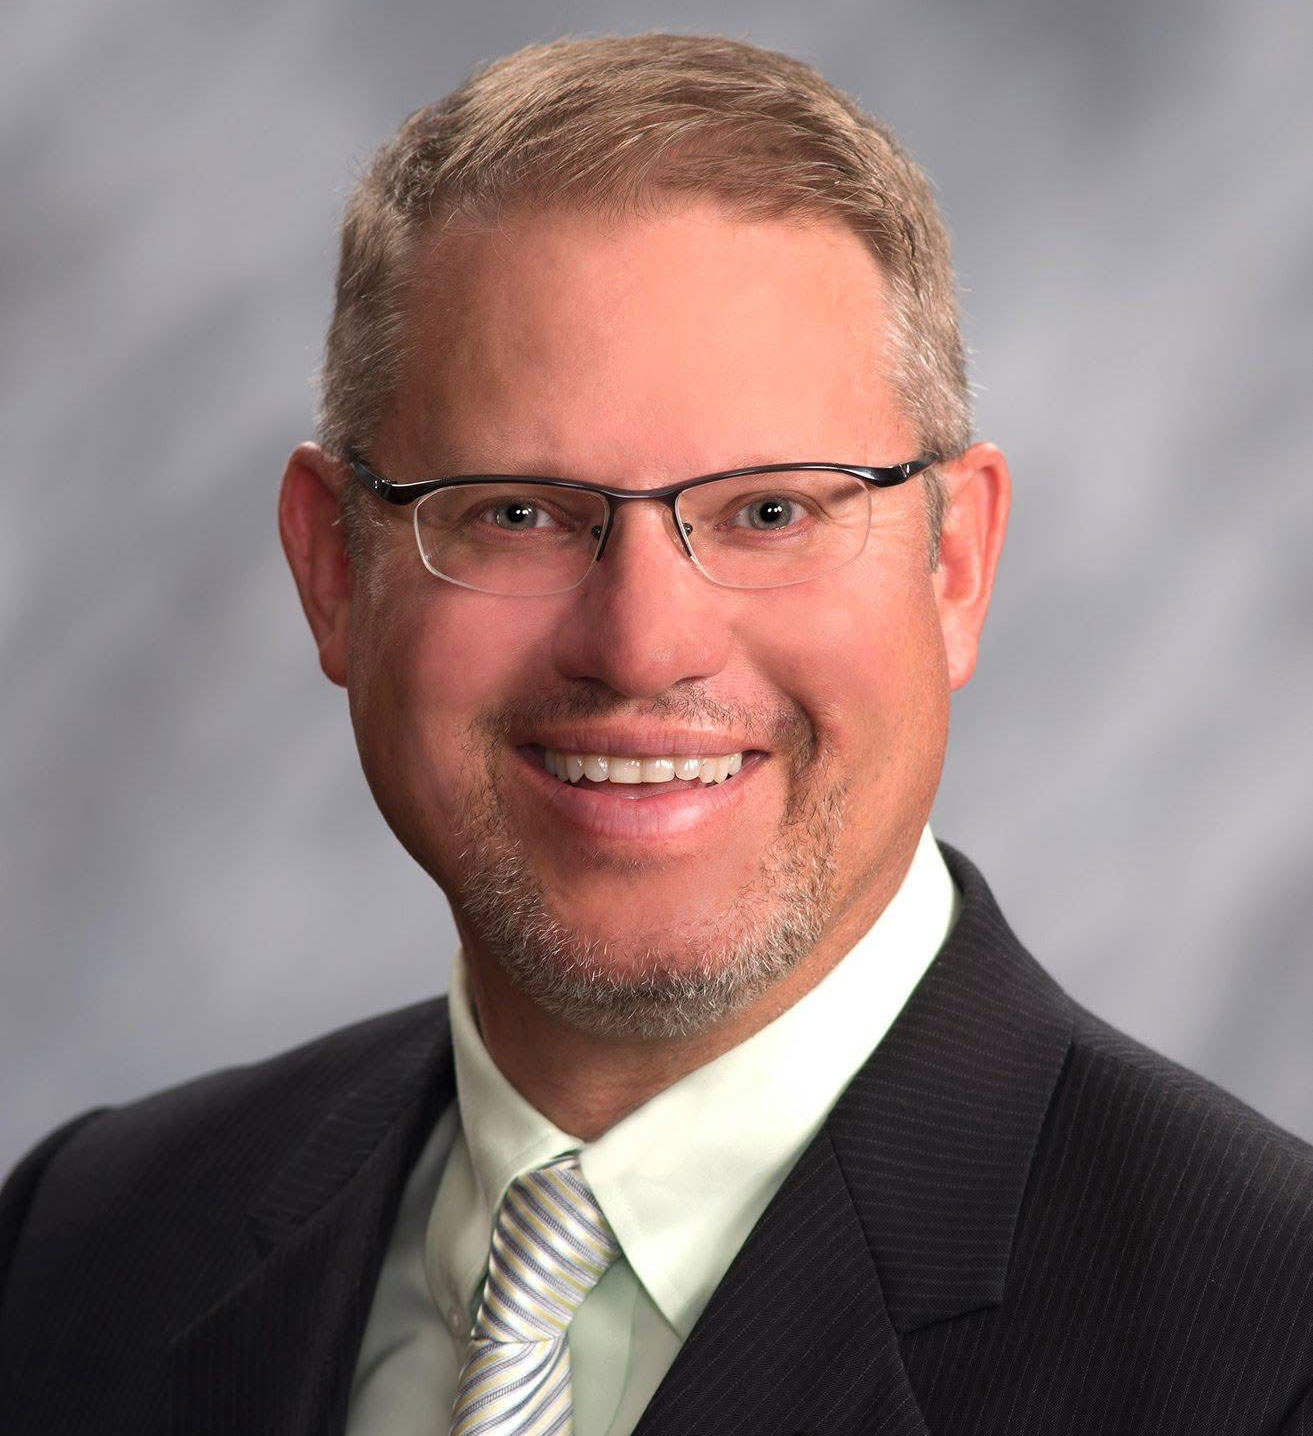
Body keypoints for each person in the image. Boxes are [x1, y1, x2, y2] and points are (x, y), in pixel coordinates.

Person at [2, 30, 1311, 1436]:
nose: (641, 643)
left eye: (770, 512)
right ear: (333, 569)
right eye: (514, 510)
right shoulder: (79, 1255)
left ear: (953, 566)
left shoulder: (1265, 1348)